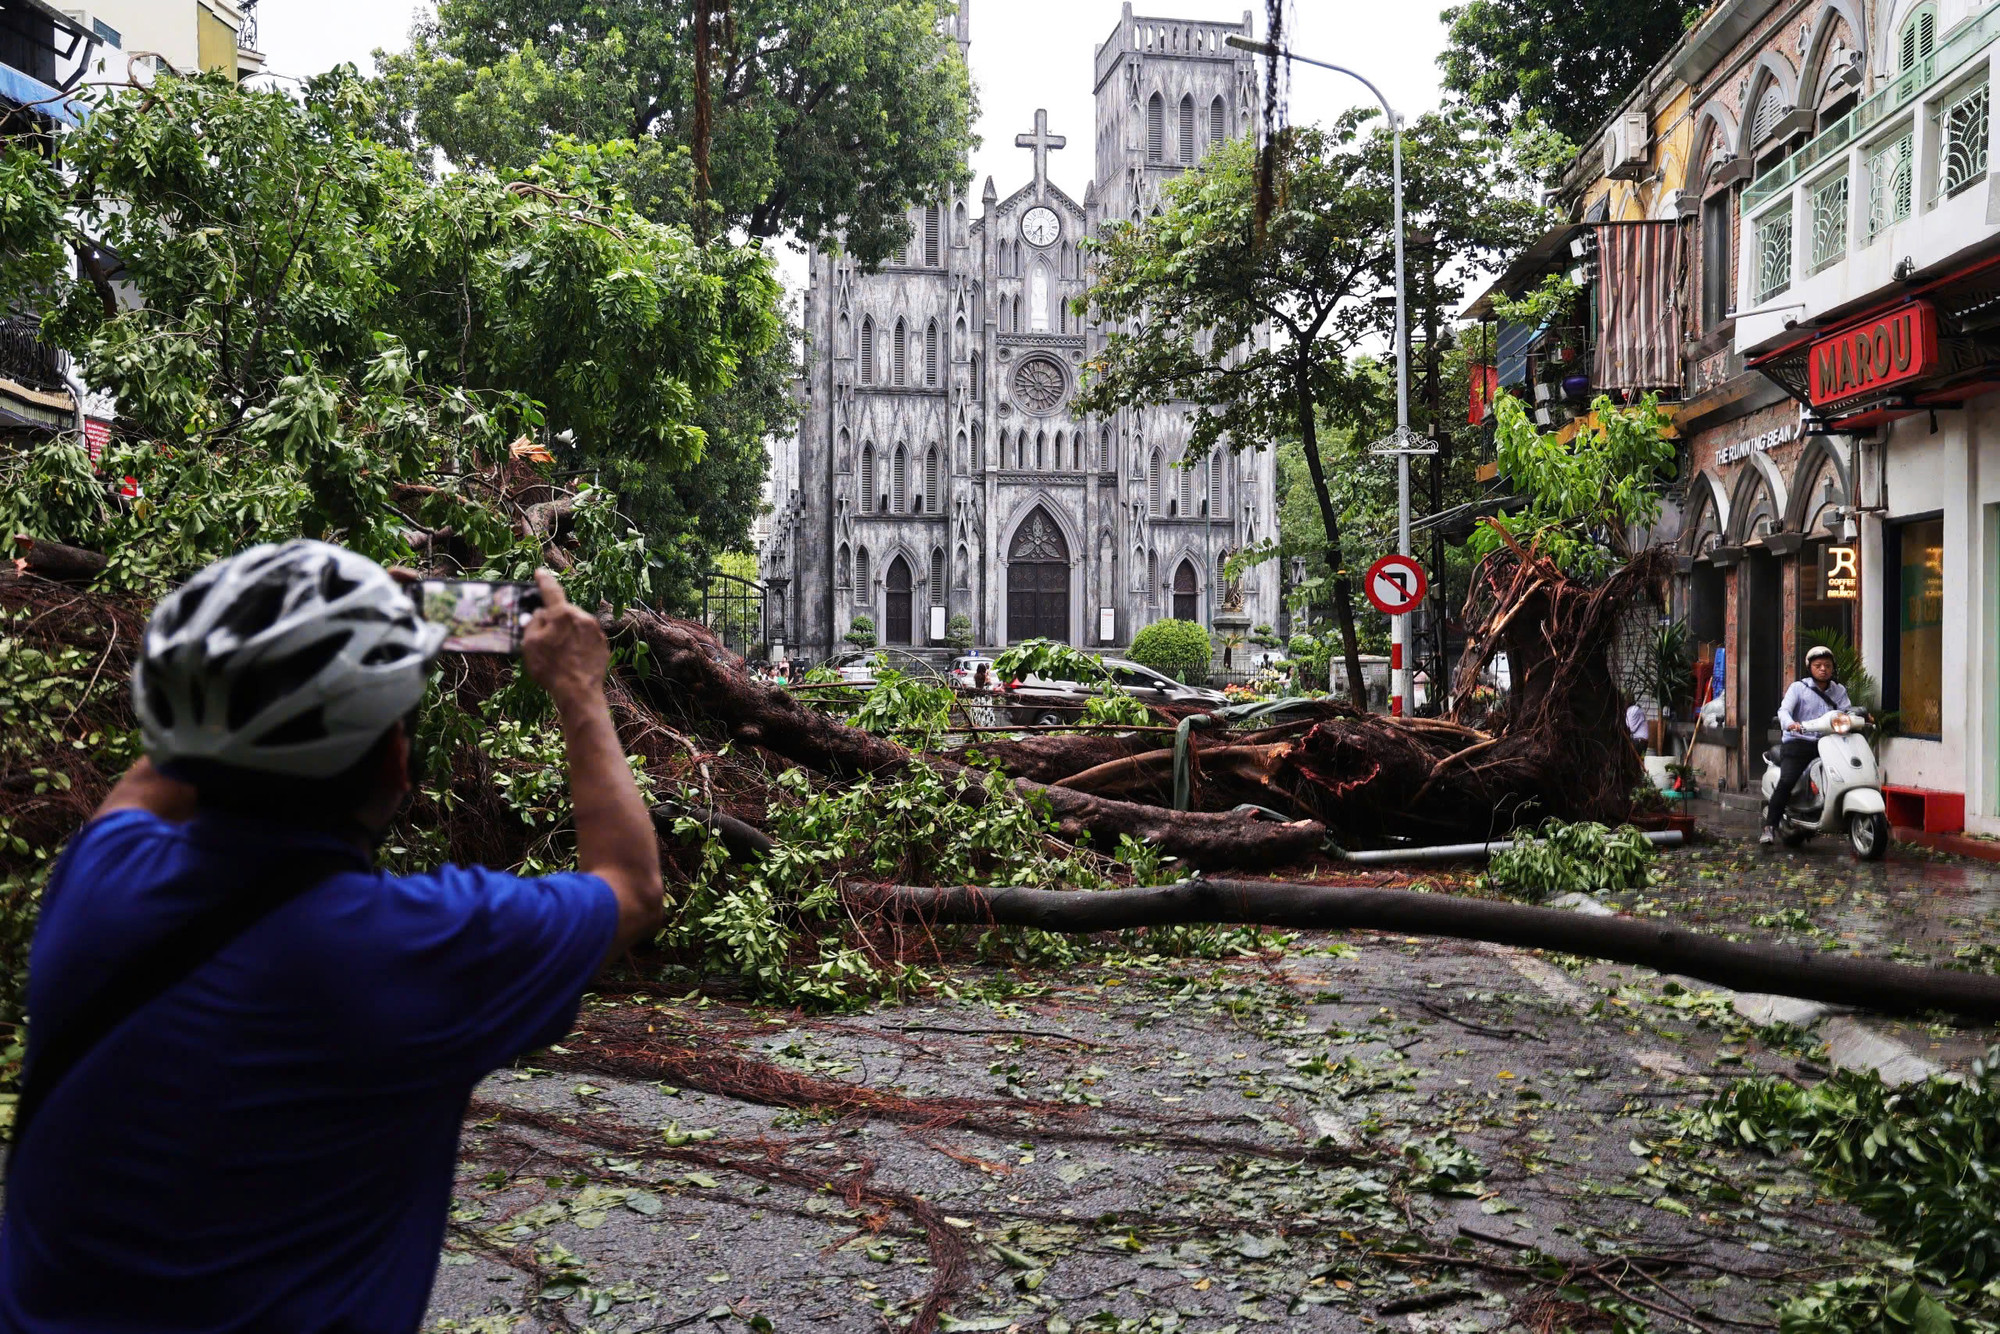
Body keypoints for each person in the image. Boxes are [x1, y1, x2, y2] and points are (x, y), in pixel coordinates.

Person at [0, 540, 664, 1330]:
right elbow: (630, 885)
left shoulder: (99, 885)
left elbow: (176, 758)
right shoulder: (419, 946)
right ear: (395, 759)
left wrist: (293, 639)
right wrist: (579, 690)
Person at [1762, 644, 1852, 847]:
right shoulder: (1798, 688)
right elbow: (1784, 710)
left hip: (1829, 743)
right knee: (1787, 780)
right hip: (1798, 743)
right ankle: (1769, 826)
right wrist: (1790, 724)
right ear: (1809, 668)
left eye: (1827, 666)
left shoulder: (1839, 691)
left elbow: (1847, 712)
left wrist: (1859, 717)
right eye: (1818, 665)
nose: (1823, 669)